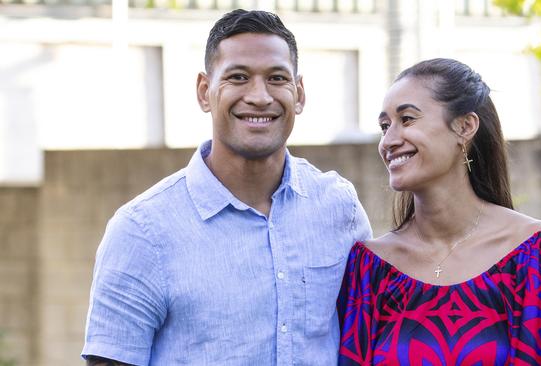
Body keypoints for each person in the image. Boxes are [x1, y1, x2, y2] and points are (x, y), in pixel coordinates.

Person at [82, 9, 372, 366]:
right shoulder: (142, 232)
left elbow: (368, 341)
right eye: (238, 77)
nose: (259, 96)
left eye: (277, 78)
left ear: (299, 93)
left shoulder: (338, 208)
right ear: (205, 92)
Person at [337, 58, 541, 365]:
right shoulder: (370, 267)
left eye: (407, 119)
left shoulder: (537, 253)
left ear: (464, 126)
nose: (389, 141)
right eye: (384, 126)